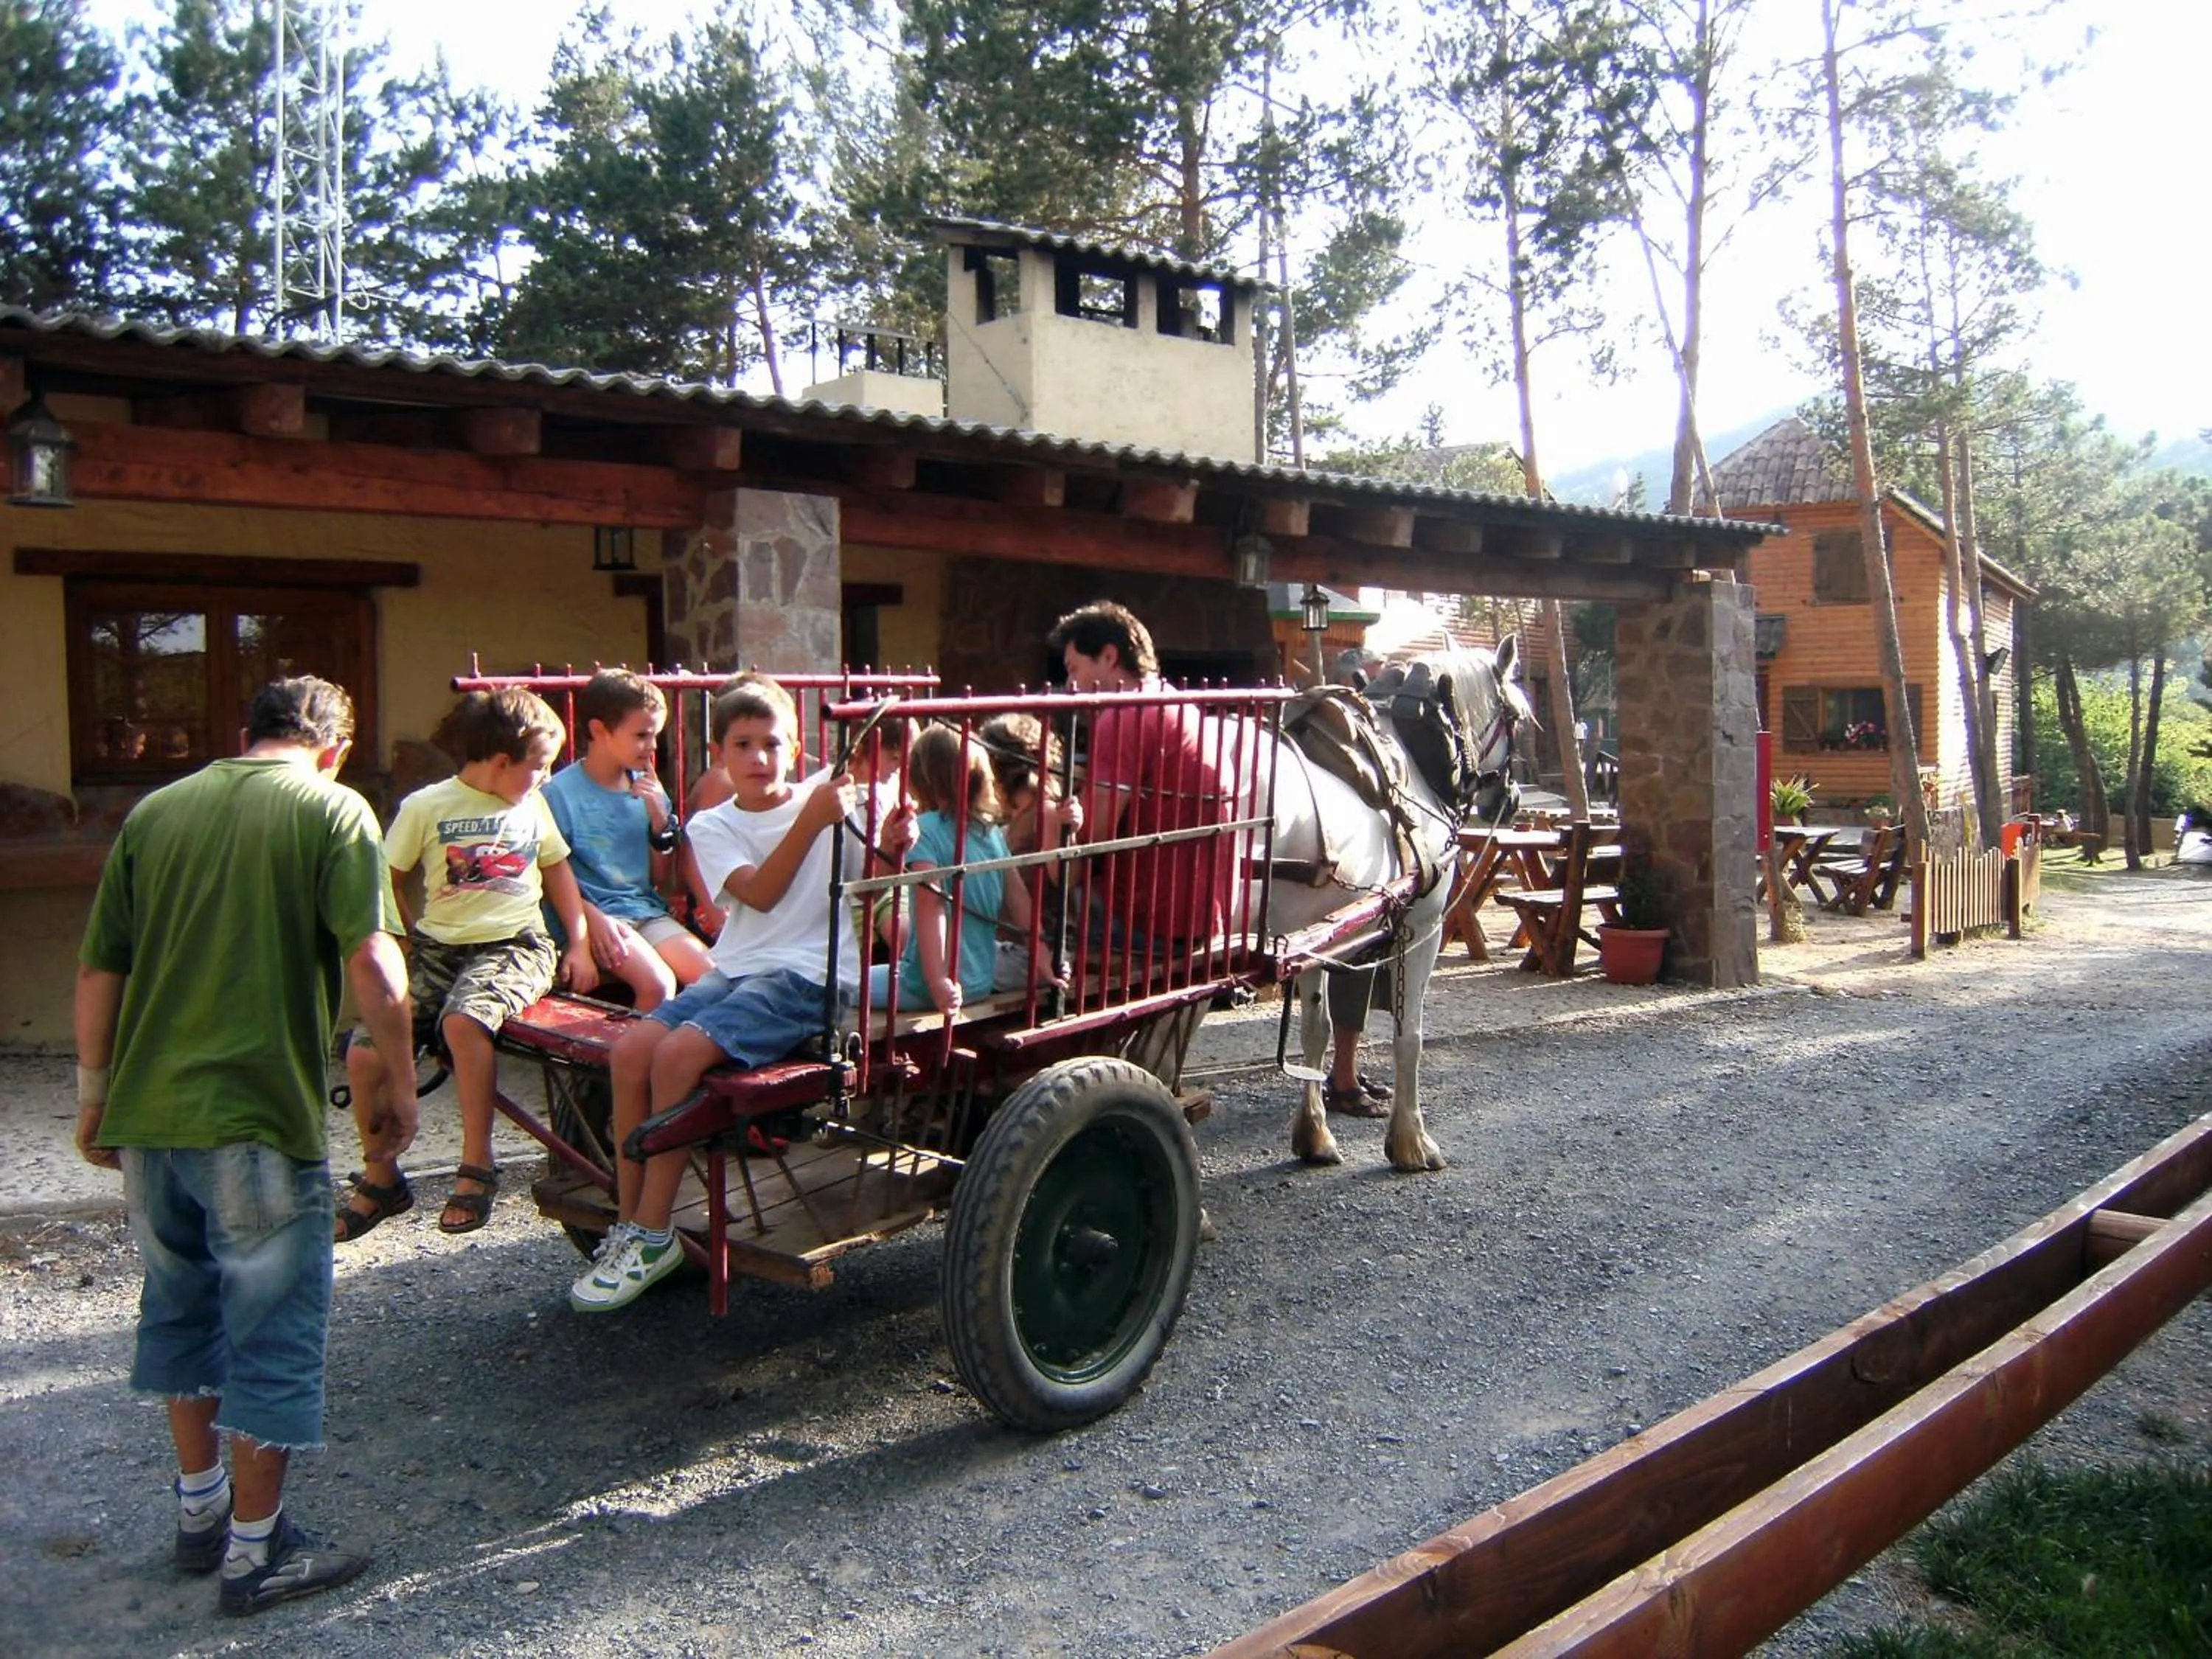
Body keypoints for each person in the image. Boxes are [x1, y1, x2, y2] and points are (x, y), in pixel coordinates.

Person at [74, 675, 414, 1616]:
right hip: (257, 1119)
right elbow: (375, 964)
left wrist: (94, 1099)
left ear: (243, 735)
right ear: (335, 748)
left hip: (153, 1121)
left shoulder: (157, 810)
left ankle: (200, 1521)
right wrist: (399, 1083)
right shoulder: (335, 810)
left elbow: (101, 965)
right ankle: (257, 1558)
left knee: (182, 1315)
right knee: (273, 1333)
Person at [569, 674, 914, 1315]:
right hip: (738, 967)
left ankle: (651, 1233)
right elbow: (758, 894)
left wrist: (894, 847)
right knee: (630, 1051)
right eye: (743, 745)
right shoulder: (713, 824)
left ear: (798, 749)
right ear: (719, 754)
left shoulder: (827, 800)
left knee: (674, 1058)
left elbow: (872, 879)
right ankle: (631, 1222)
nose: (759, 758)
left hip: (809, 977)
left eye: (772, 744)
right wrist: (812, 823)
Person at [336, 688, 596, 1240]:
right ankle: (381, 1175)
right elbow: (388, 877)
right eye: (540, 766)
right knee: (363, 1054)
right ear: (502, 761)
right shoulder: (428, 806)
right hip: (438, 948)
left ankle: (477, 1166)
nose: (546, 778)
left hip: (515, 945)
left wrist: (577, 941)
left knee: (464, 1022)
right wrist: (403, 938)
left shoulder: (531, 805)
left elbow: (557, 872)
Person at [1048, 602, 1234, 950]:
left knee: (1030, 890)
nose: (1072, 686)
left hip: (1142, 921)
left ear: (1108, 656)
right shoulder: (1179, 704)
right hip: (1204, 915)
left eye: (1074, 670)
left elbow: (1093, 835)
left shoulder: (1123, 713)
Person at [542, 669, 712, 1011]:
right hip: (593, 917)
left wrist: (658, 821)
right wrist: (591, 923)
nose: (652, 747)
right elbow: (548, 876)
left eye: (655, 736)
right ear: (599, 730)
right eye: (641, 735)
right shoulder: (558, 794)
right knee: (658, 984)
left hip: (643, 913)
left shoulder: (648, 791)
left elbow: (658, 880)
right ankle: (635, 1062)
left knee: (713, 977)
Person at [866, 726, 1043, 1013]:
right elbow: (1020, 902)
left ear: (919, 776)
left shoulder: (924, 829)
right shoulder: (991, 833)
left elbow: (931, 905)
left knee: (843, 983)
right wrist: (1045, 960)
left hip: (929, 986)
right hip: (978, 982)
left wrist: (938, 983)